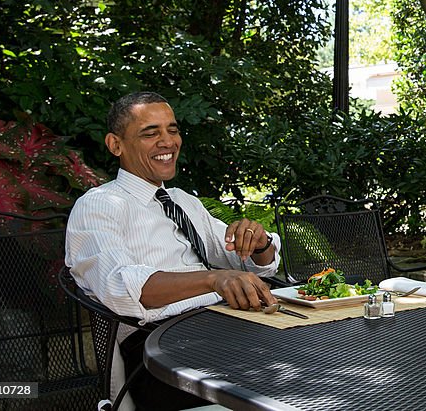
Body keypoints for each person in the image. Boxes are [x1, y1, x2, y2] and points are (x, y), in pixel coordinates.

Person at [66, 91, 281, 410]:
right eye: (150, 133)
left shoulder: (183, 201)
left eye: (173, 130)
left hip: (229, 326)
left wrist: (258, 242)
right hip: (159, 349)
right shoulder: (98, 206)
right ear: (116, 145)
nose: (167, 141)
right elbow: (121, 287)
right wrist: (213, 280)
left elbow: (253, 264)